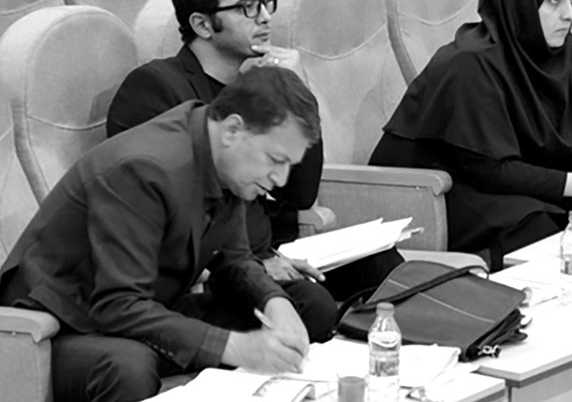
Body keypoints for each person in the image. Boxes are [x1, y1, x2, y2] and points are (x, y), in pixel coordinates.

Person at [0, 67, 337, 402]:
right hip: (62, 326)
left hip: (151, 309)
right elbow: (118, 305)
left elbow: (234, 260)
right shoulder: (144, 168)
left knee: (309, 304)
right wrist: (233, 347)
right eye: (276, 160)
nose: (280, 179)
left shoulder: (225, 156)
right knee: (129, 367)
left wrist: (275, 303)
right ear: (233, 130)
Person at [108, 0, 402, 300]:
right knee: (312, 302)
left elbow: (300, 193)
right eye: (247, 7)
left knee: (384, 266)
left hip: (275, 251)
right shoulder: (155, 87)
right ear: (202, 24)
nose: (264, 17)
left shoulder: (259, 87)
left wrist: (294, 89)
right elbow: (168, 217)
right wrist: (253, 266)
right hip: (212, 271)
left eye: (264, 3)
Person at [369, 0, 572, 270]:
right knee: (541, 226)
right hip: (437, 189)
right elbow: (489, 170)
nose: (569, 14)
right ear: (519, 2)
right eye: (554, 0)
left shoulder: (562, 51)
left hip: (505, 175)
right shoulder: (469, 63)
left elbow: (554, 137)